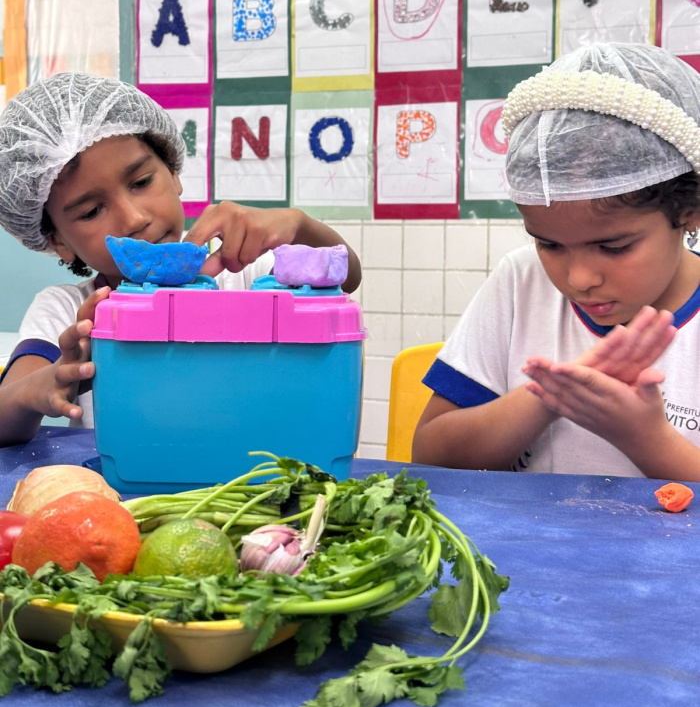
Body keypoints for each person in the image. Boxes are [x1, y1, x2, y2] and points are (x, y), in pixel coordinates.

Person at [0, 73, 361, 445]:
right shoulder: (71, 313)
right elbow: (5, 413)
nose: (134, 219)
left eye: (141, 183)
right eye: (92, 211)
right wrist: (55, 377)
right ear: (58, 240)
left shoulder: (244, 272)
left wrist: (297, 224)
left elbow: (348, 275)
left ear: (173, 172)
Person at [412, 42, 700, 481]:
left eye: (614, 247)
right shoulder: (521, 281)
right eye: (548, 245)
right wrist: (549, 397)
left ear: (690, 211)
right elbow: (432, 455)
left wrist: (647, 439)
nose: (579, 279)